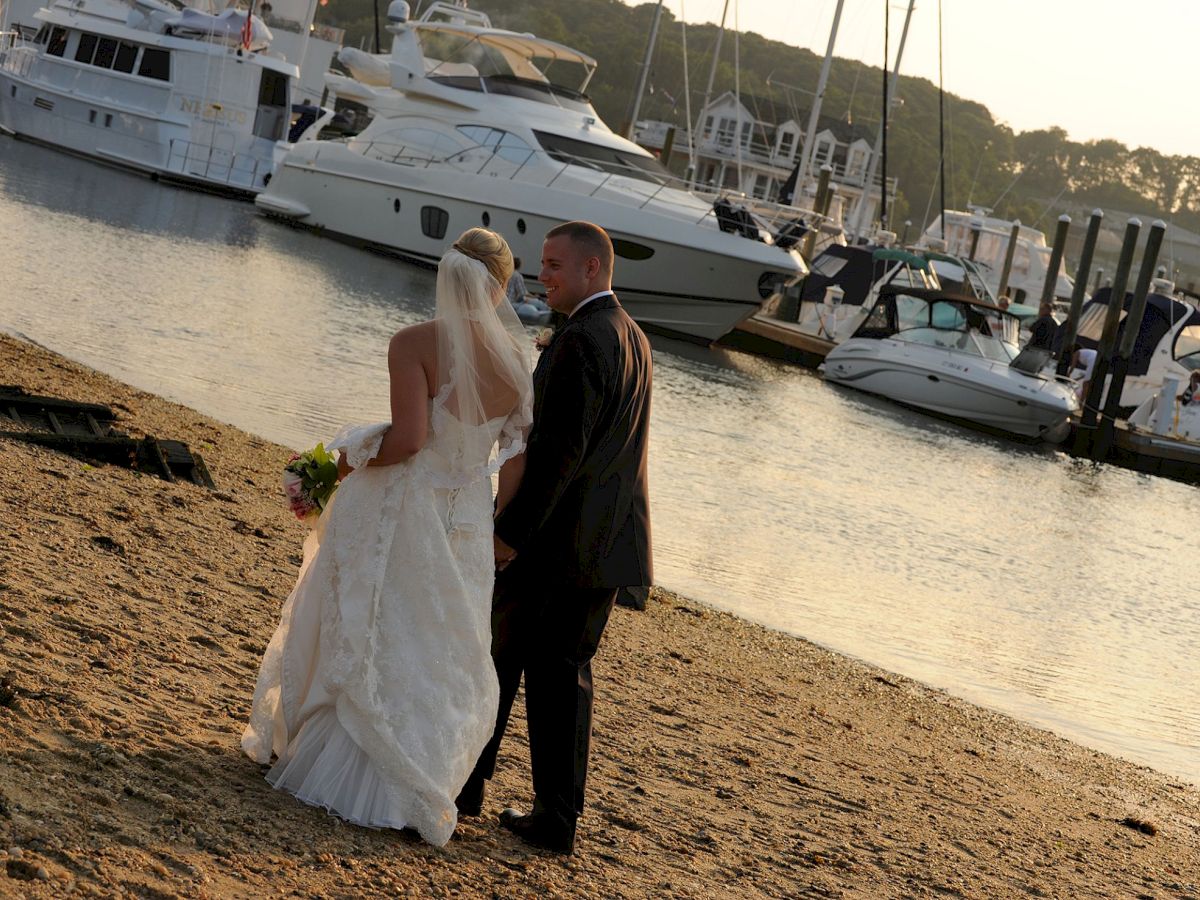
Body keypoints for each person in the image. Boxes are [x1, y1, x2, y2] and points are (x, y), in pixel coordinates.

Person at [241, 228, 533, 847]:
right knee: (441, 646)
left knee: (375, 625)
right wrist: (501, 532)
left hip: (407, 506)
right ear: (502, 285)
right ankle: (420, 775)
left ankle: (347, 769)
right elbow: (514, 460)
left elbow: (406, 441)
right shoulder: (517, 360)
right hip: (467, 522)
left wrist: (339, 465)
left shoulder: (414, 343)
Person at [458, 221, 653, 855]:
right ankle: (547, 811)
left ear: (593, 269)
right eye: (542, 264)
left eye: (555, 266)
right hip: (604, 545)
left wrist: (508, 535)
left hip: (556, 544)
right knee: (557, 675)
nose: (544, 276)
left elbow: (558, 455)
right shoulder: (632, 336)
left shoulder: (581, 343)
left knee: (504, 659)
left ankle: (483, 793)